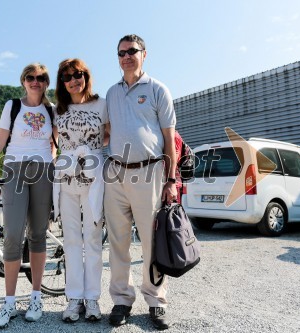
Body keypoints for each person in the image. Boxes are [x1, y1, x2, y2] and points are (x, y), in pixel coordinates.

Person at [0, 63, 55, 329]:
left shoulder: (52, 110)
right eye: (30, 77)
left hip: (43, 171)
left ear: (46, 82)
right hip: (15, 169)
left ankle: (36, 297)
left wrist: (55, 164)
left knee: (38, 234)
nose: (35, 81)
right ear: (23, 81)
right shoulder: (12, 106)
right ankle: (9, 302)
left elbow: (59, 143)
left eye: (40, 78)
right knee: (13, 234)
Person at [104, 34, 177, 330]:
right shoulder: (111, 93)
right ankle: (122, 299)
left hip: (150, 173)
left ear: (144, 54)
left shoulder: (158, 89)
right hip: (116, 174)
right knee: (118, 242)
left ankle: (156, 301)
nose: (126, 56)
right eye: (121, 52)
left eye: (132, 51)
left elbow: (170, 140)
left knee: (151, 241)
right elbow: (107, 133)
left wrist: (171, 179)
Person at [52, 58, 109, 322]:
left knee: (93, 239)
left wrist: (93, 149)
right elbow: (53, 141)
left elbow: (110, 133)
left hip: (93, 176)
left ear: (86, 76)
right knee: (72, 241)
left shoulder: (101, 104)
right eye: (67, 77)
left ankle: (93, 299)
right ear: (62, 83)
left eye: (78, 75)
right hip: (66, 179)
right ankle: (74, 298)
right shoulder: (58, 110)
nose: (73, 80)